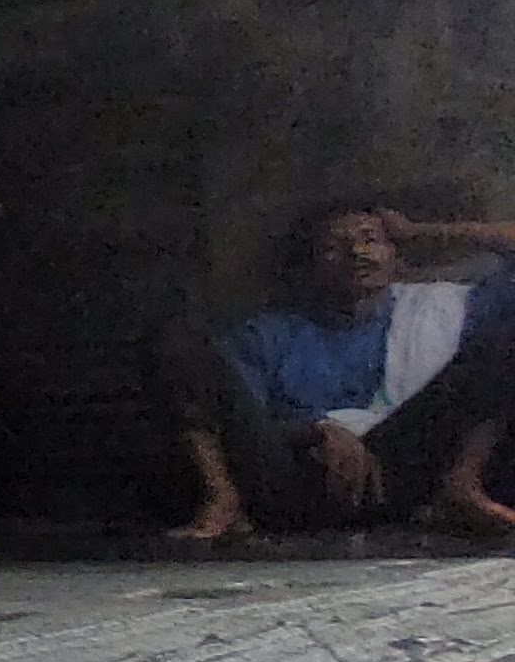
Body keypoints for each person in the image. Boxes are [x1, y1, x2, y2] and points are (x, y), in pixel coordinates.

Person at [169, 202, 515, 541]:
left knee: (507, 339)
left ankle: (461, 486)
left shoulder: (439, 310)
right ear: (309, 267)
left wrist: (419, 232)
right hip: (297, 479)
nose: (357, 252)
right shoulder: (270, 335)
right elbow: (237, 421)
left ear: (397, 256)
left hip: (400, 470)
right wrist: (315, 432)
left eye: (371, 239)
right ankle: (223, 501)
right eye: (334, 247)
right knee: (183, 345)